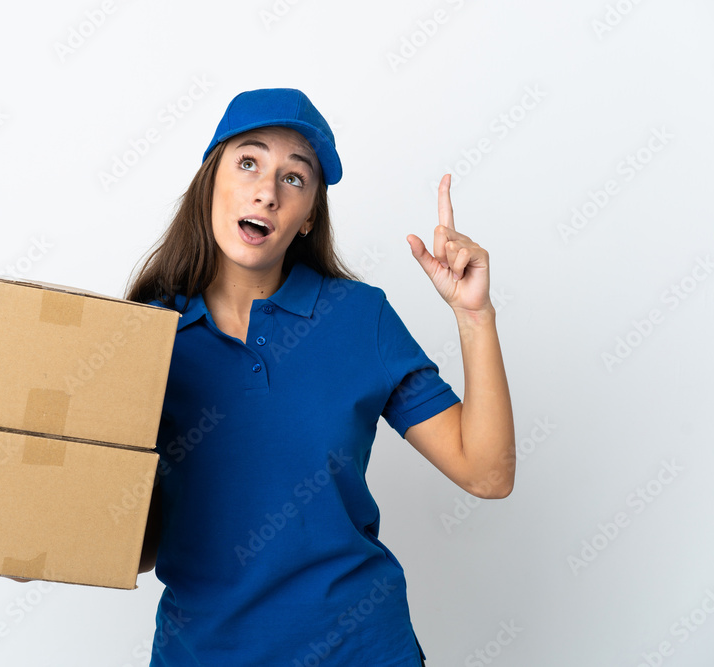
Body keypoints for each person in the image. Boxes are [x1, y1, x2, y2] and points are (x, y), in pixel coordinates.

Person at [125, 88, 515, 666]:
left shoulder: (359, 319)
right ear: (212, 182)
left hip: (361, 650)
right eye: (249, 162)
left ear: (308, 217)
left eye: (294, 178)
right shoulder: (146, 335)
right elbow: (141, 546)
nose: (267, 190)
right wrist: (35, 543)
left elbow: (486, 473)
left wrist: (474, 315)